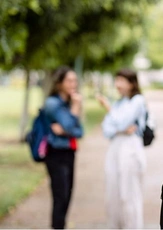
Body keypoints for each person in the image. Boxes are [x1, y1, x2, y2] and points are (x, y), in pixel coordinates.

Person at [97, 68, 147, 229]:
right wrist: (120, 127)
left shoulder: (138, 101)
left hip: (130, 149)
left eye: (121, 80)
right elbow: (107, 129)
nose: (117, 84)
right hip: (115, 148)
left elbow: (121, 122)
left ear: (132, 83)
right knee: (113, 195)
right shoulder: (119, 103)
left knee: (129, 194)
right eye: (116, 80)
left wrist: (108, 108)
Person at [44, 66, 84, 229]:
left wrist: (66, 129)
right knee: (60, 195)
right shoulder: (52, 103)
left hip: (69, 152)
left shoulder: (68, 103)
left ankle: (60, 226)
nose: (73, 84)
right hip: (55, 153)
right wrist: (75, 108)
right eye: (69, 80)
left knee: (67, 195)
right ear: (59, 83)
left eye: (75, 80)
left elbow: (79, 131)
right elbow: (69, 125)